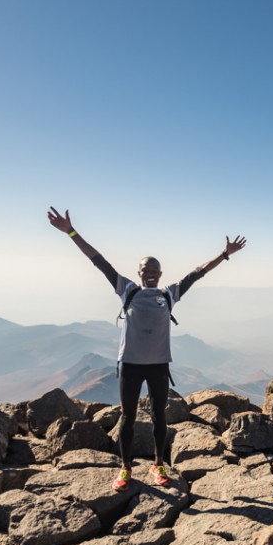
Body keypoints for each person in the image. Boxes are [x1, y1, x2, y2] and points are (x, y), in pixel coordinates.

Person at [47, 206, 246, 490]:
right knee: (127, 418)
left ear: (160, 273)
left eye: (155, 270)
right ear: (139, 273)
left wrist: (224, 255)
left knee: (159, 417)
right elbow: (98, 261)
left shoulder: (169, 294)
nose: (150, 274)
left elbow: (198, 273)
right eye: (145, 270)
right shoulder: (127, 290)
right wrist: (71, 232)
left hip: (158, 365)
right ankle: (125, 468)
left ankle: (158, 464)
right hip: (130, 364)